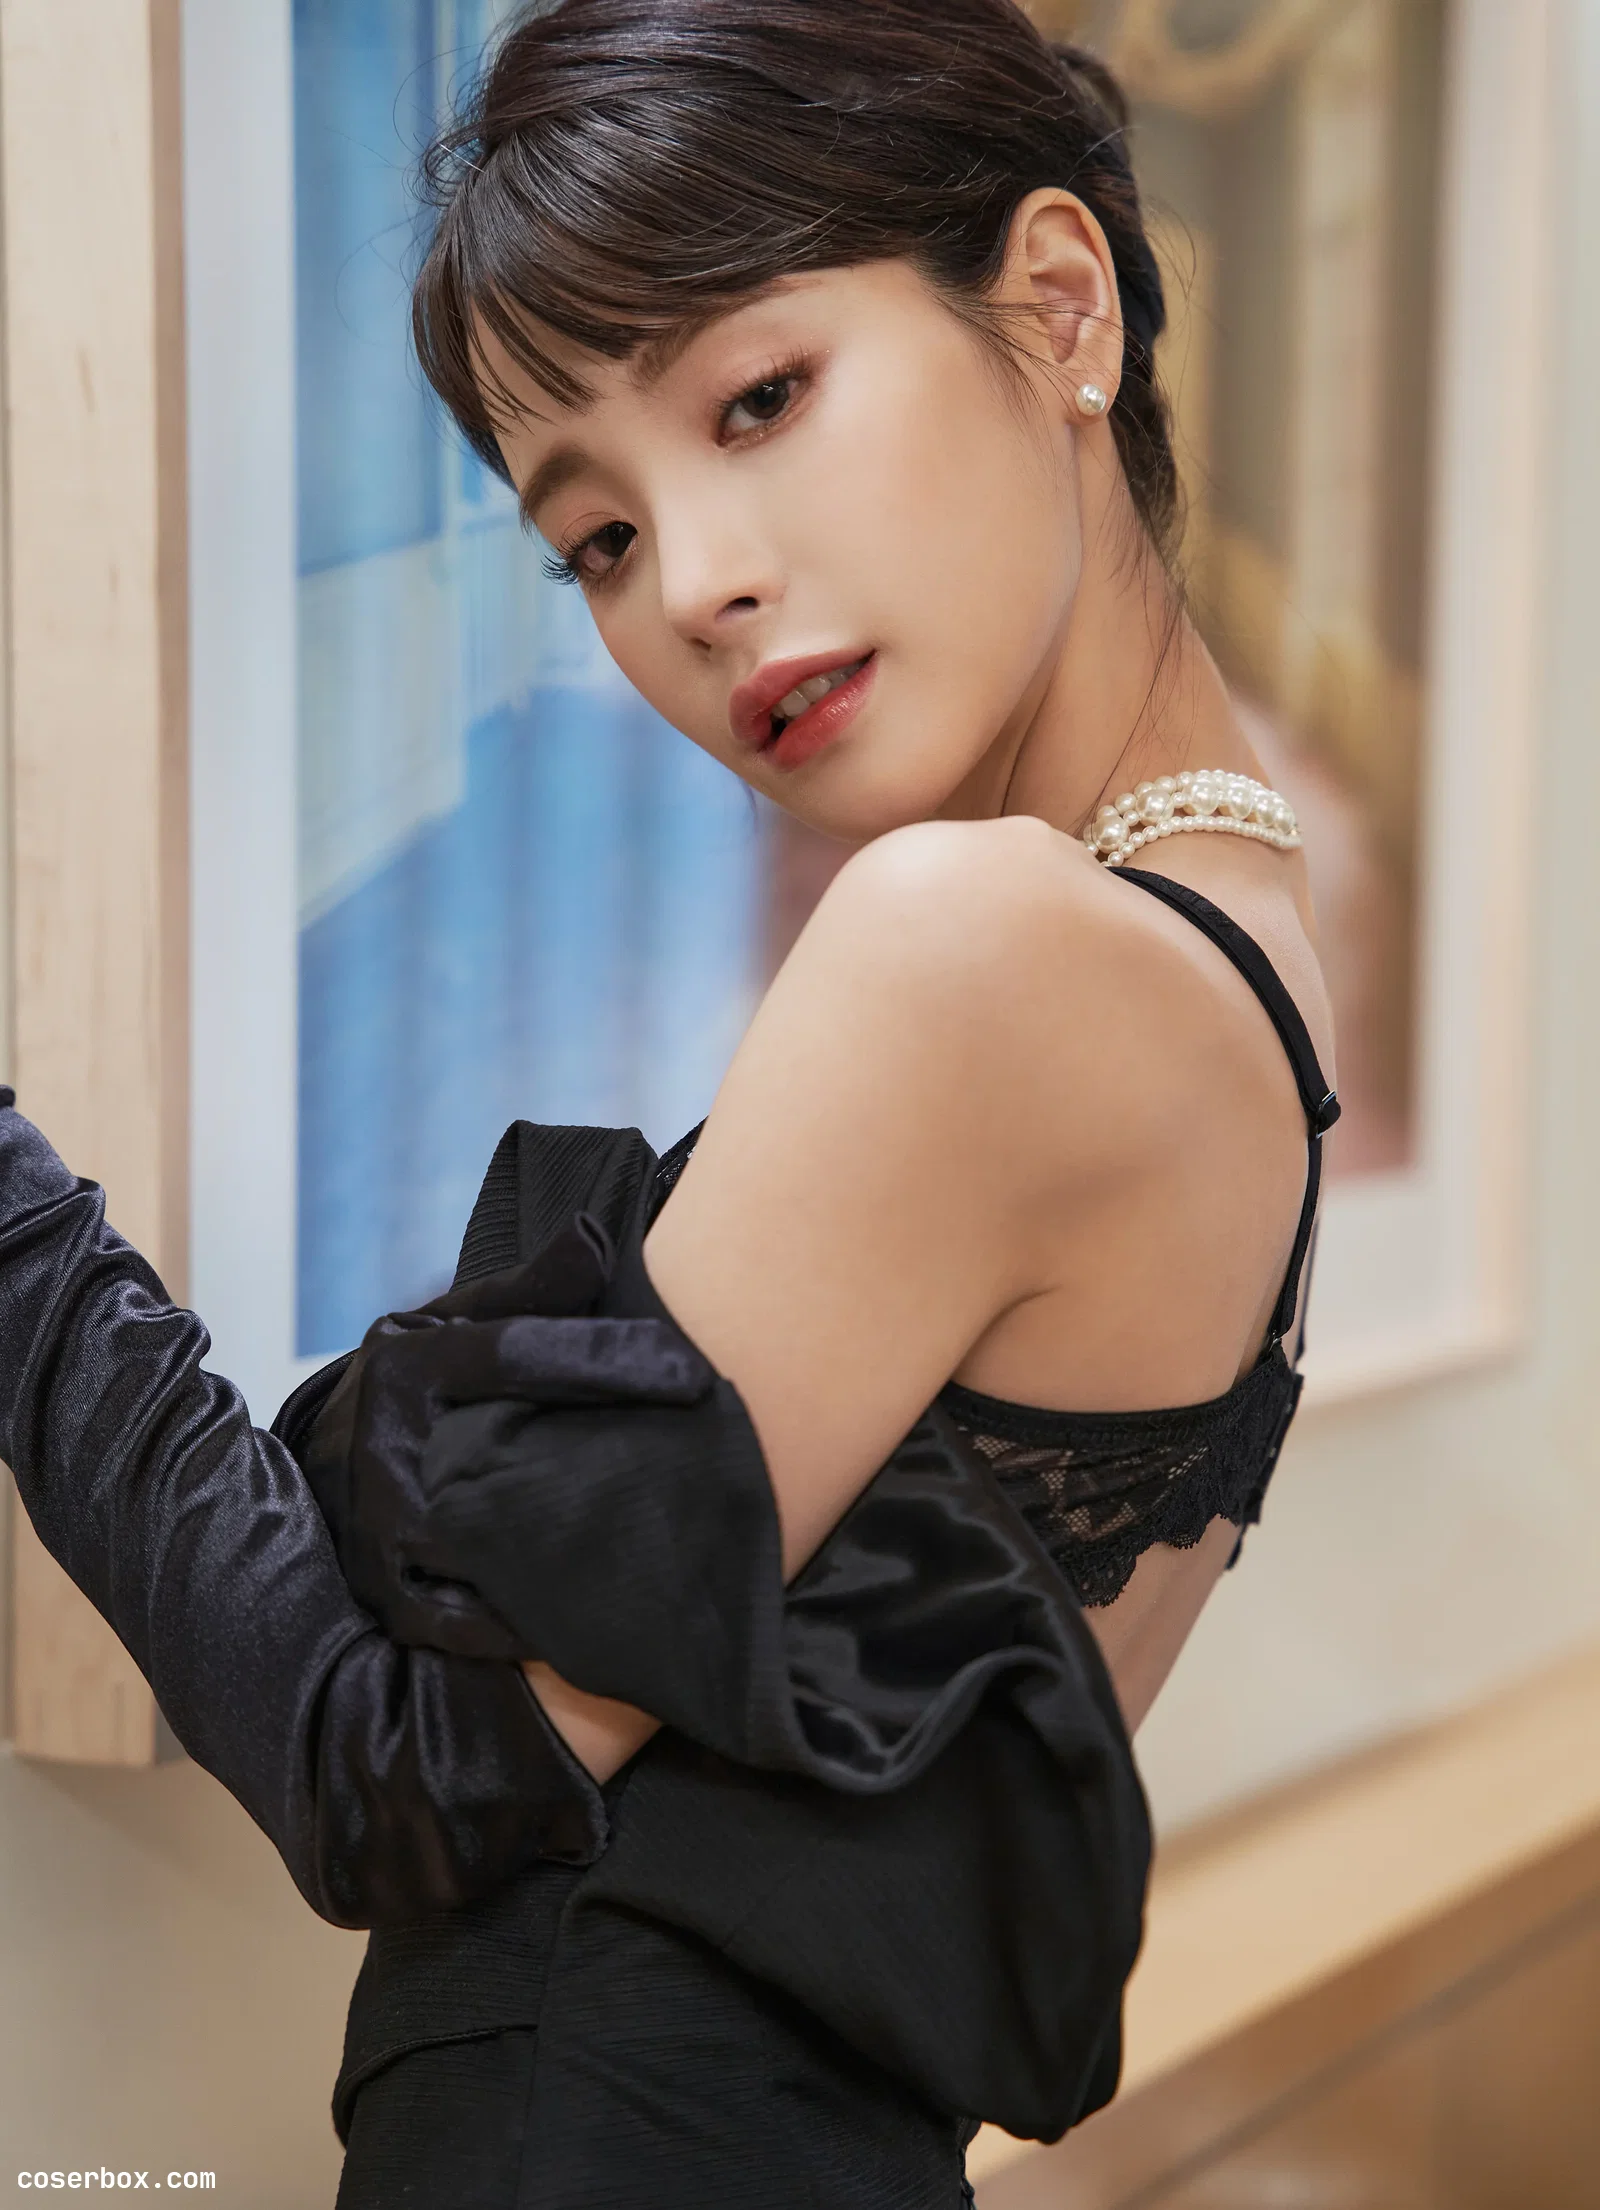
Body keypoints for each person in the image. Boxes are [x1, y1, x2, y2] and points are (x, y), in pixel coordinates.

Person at [0, 1, 1338, 2202]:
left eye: (760, 398)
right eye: (598, 537)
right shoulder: (1232, 953)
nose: (698, 583)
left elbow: (392, 1774)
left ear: (1056, 305)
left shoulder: (978, 951)